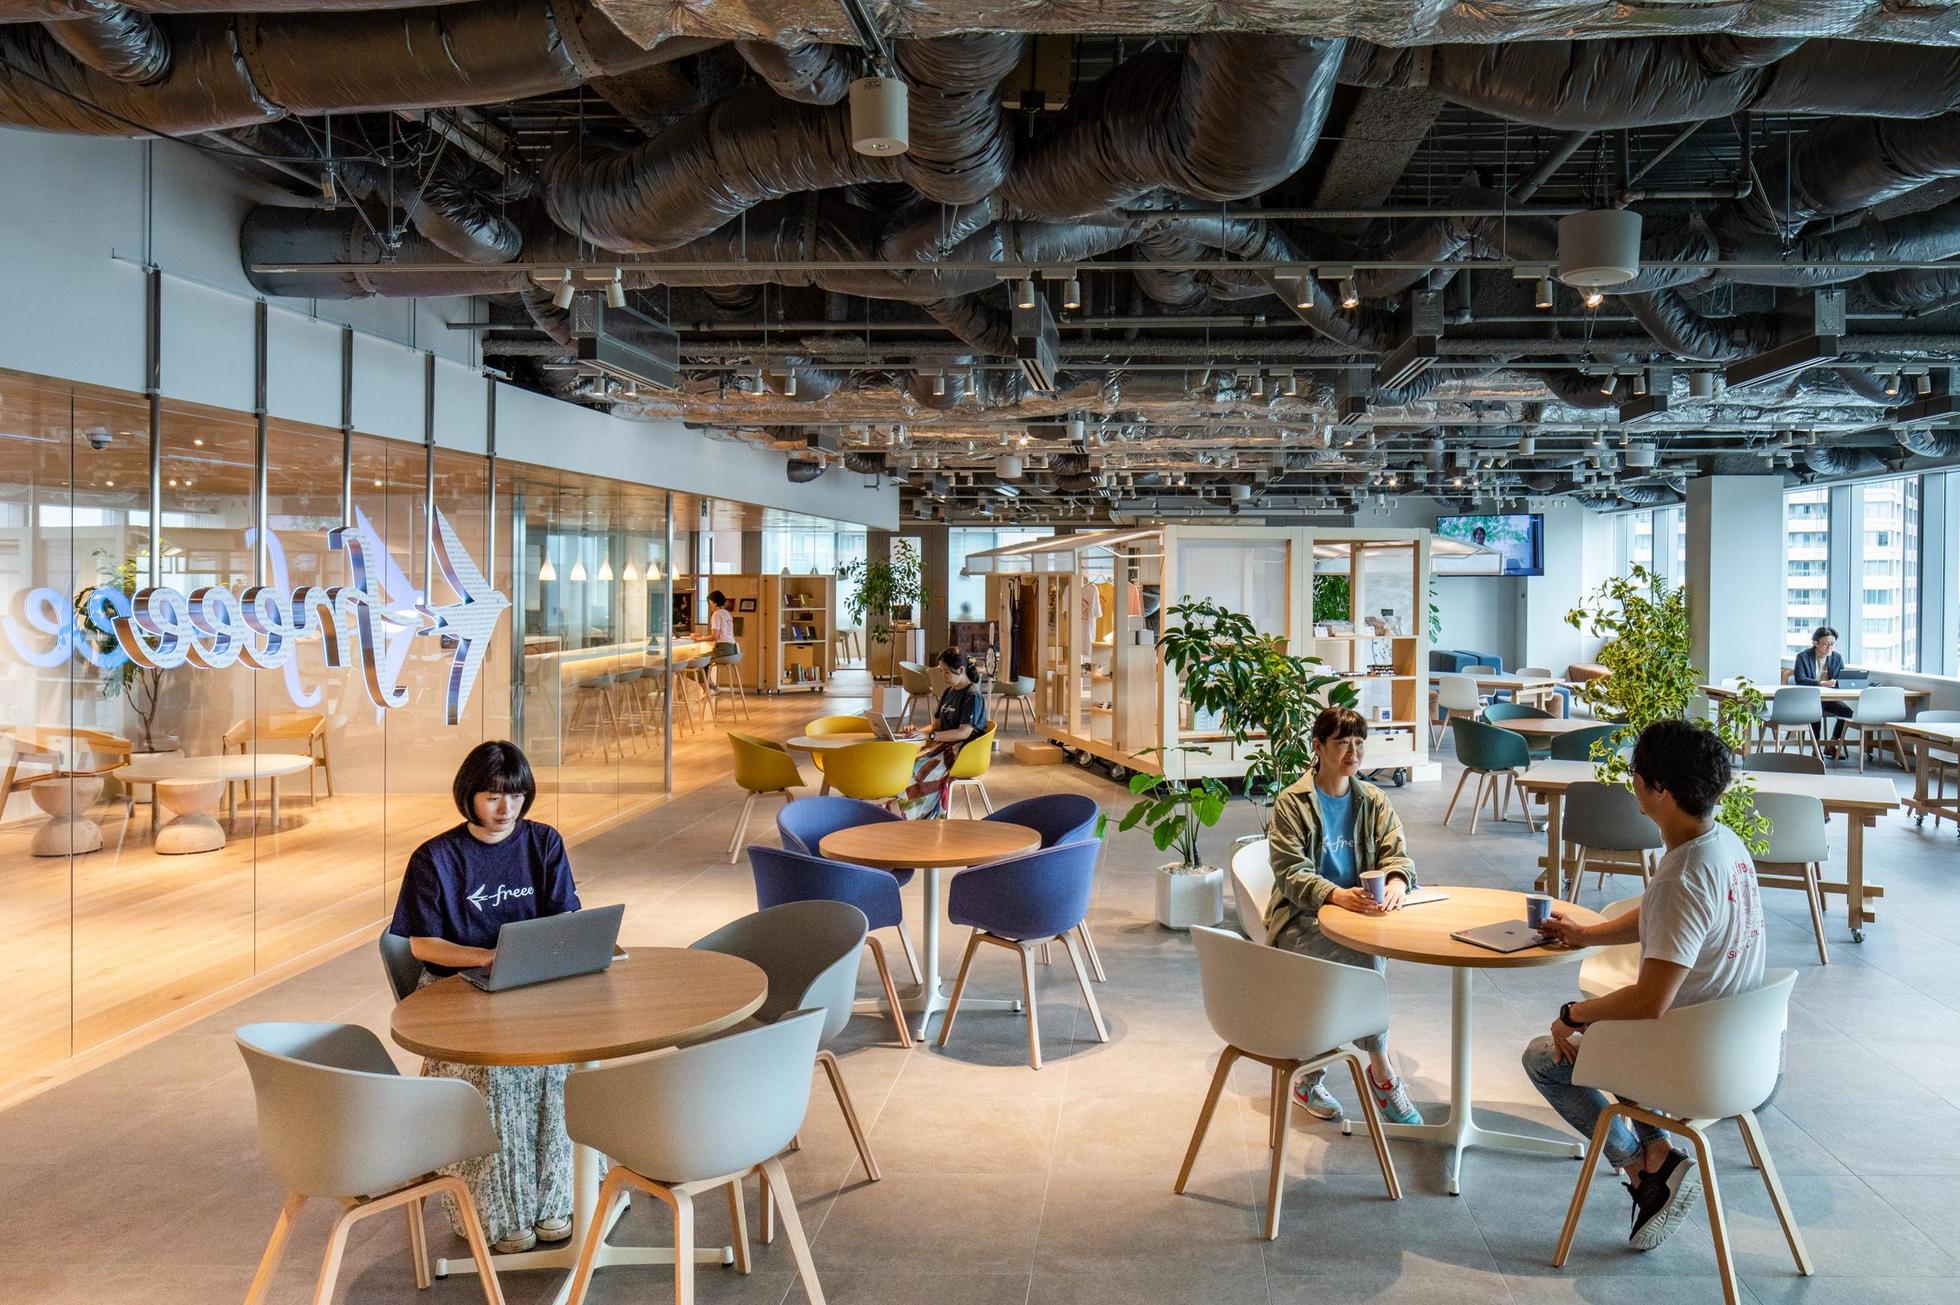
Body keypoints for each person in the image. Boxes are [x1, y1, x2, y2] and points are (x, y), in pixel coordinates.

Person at [1522, 719, 1767, 1252]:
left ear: (1659, 789)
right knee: (1604, 1030)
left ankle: (1644, 1168)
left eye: (1635, 772)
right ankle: (1656, 1152)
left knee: (1548, 1055)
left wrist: (1571, 1015)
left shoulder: (1683, 874)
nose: (1630, 781)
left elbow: (1650, 1001)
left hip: (1693, 1060)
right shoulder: (1722, 844)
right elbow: (1667, 919)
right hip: (1744, 1048)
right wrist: (1587, 934)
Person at [388, 741, 583, 1255]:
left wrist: (537, 956)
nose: (506, 808)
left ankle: (557, 1199)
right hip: (456, 991)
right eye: (493, 796)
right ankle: (499, 1212)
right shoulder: (436, 858)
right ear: (468, 795)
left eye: (515, 796)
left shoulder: (544, 842)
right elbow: (423, 945)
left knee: (559, 1065)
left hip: (530, 986)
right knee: (497, 1077)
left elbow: (565, 918)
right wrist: (488, 958)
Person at [1264, 706, 1425, 1127]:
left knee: (1361, 963)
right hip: (1302, 919)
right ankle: (1382, 1073)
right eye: (1342, 743)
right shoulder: (1293, 803)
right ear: (1318, 747)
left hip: (1361, 917)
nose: (1353, 752)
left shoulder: (1372, 799)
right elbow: (1290, 873)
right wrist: (1335, 895)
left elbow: (1397, 853)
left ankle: (1307, 1077)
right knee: (1365, 965)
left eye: (1359, 743)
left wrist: (1396, 881)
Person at [894, 647, 988, 819]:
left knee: (917, 769)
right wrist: (917, 732)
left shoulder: (972, 695)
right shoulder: (948, 692)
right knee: (905, 764)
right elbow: (936, 725)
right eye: (941, 671)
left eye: (946, 672)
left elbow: (964, 732)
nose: (943, 676)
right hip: (943, 745)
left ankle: (917, 816)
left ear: (961, 670)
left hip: (961, 751)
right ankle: (910, 814)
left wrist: (930, 736)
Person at [1790, 625, 1851, 750]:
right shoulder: (1803, 657)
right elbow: (1800, 679)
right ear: (1816, 643)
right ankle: (1816, 748)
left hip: (1829, 698)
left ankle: (1832, 744)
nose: (1829, 647)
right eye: (1825, 644)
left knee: (1847, 712)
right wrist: (1821, 683)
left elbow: (1842, 678)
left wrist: (1838, 682)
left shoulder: (1837, 658)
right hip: (1809, 699)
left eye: (1832, 644)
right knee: (1817, 711)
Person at [707, 589, 738, 693]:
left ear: (715, 603)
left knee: (697, 661)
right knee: (703, 662)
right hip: (732, 650)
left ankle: (709, 688)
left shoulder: (716, 614)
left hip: (722, 650)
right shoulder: (726, 613)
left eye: (710, 602)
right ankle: (710, 688)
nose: (709, 605)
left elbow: (714, 637)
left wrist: (698, 638)